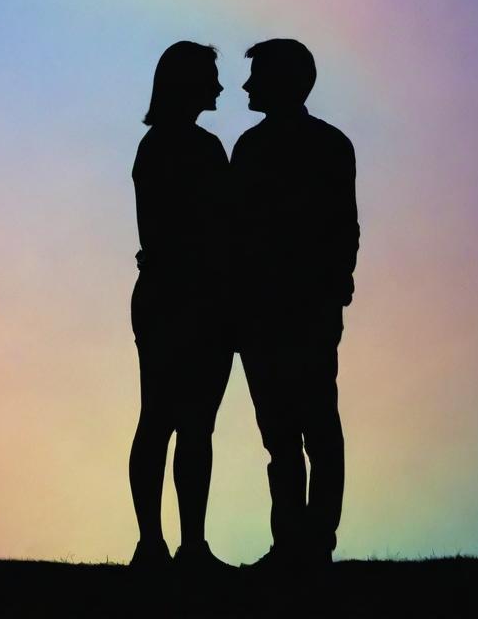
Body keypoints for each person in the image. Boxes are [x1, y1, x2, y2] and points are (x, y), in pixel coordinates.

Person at [230, 39, 359, 570]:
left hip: (297, 305)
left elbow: (343, 227)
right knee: (284, 432)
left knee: (310, 426)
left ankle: (312, 543)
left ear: (284, 80)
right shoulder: (263, 147)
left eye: (257, 75)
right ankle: (294, 544)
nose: (246, 86)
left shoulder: (316, 146)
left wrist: (334, 285)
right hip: (270, 308)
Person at [128, 41, 233, 571]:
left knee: (183, 424)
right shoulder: (184, 148)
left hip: (189, 298)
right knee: (170, 422)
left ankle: (179, 545)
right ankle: (162, 544)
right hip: (183, 298)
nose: (219, 87)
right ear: (186, 82)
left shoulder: (177, 146)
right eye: (210, 77)